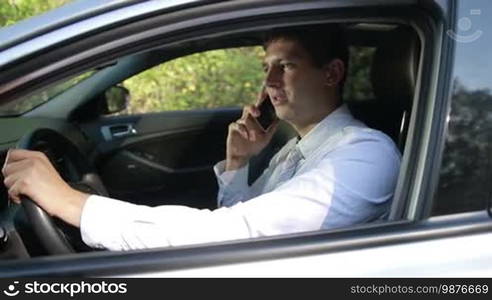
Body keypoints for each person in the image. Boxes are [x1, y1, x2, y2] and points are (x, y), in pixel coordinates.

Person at [2, 24, 401, 251]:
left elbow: (232, 236)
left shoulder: (364, 154)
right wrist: (238, 164)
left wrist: (71, 202)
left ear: (331, 74)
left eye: (287, 66)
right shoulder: (295, 152)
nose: (269, 82)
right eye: (267, 68)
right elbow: (246, 226)